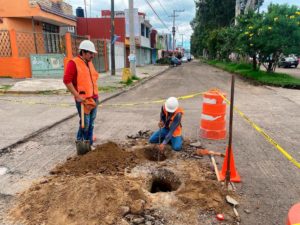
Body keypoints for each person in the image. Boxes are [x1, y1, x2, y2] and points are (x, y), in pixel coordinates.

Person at [63, 40, 99, 148]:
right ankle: (81, 143)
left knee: (91, 123)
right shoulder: (73, 63)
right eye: (90, 53)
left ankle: (89, 144)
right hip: (83, 100)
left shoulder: (89, 63)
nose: (93, 55)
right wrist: (77, 96)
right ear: (83, 52)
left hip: (94, 98)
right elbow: (67, 80)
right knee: (85, 124)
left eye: (93, 53)